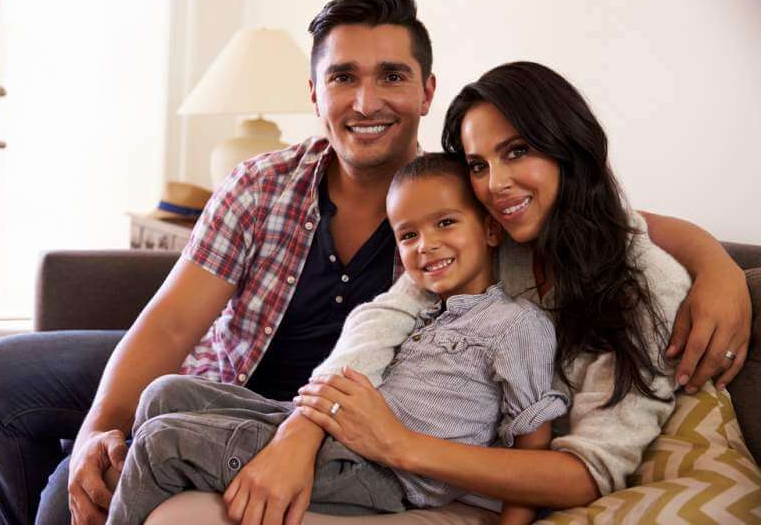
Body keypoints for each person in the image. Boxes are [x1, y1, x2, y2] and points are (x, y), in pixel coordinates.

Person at [0, 0, 750, 524]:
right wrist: (106, 423)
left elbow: (600, 224)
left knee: (74, 492)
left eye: (391, 77)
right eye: (343, 77)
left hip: (367, 432)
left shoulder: (463, 212)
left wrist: (711, 260)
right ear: (316, 93)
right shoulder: (273, 183)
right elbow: (170, 328)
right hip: (247, 382)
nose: (366, 101)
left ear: (425, 90)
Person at [292, 61, 697, 511]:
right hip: (376, 458)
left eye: (517, 151)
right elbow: (386, 315)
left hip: (444, 487)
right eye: (478, 165)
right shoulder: (496, 237)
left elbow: (588, 473)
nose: (496, 185)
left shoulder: (646, 287)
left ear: (569, 146)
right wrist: (300, 431)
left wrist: (398, 445)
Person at [106, 153, 568, 525]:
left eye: (445, 223)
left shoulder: (516, 325)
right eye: (408, 235)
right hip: (333, 431)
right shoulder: (417, 307)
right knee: (164, 393)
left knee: (158, 443)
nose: (425, 244)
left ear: (490, 229)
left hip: (379, 474)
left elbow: (533, 444)